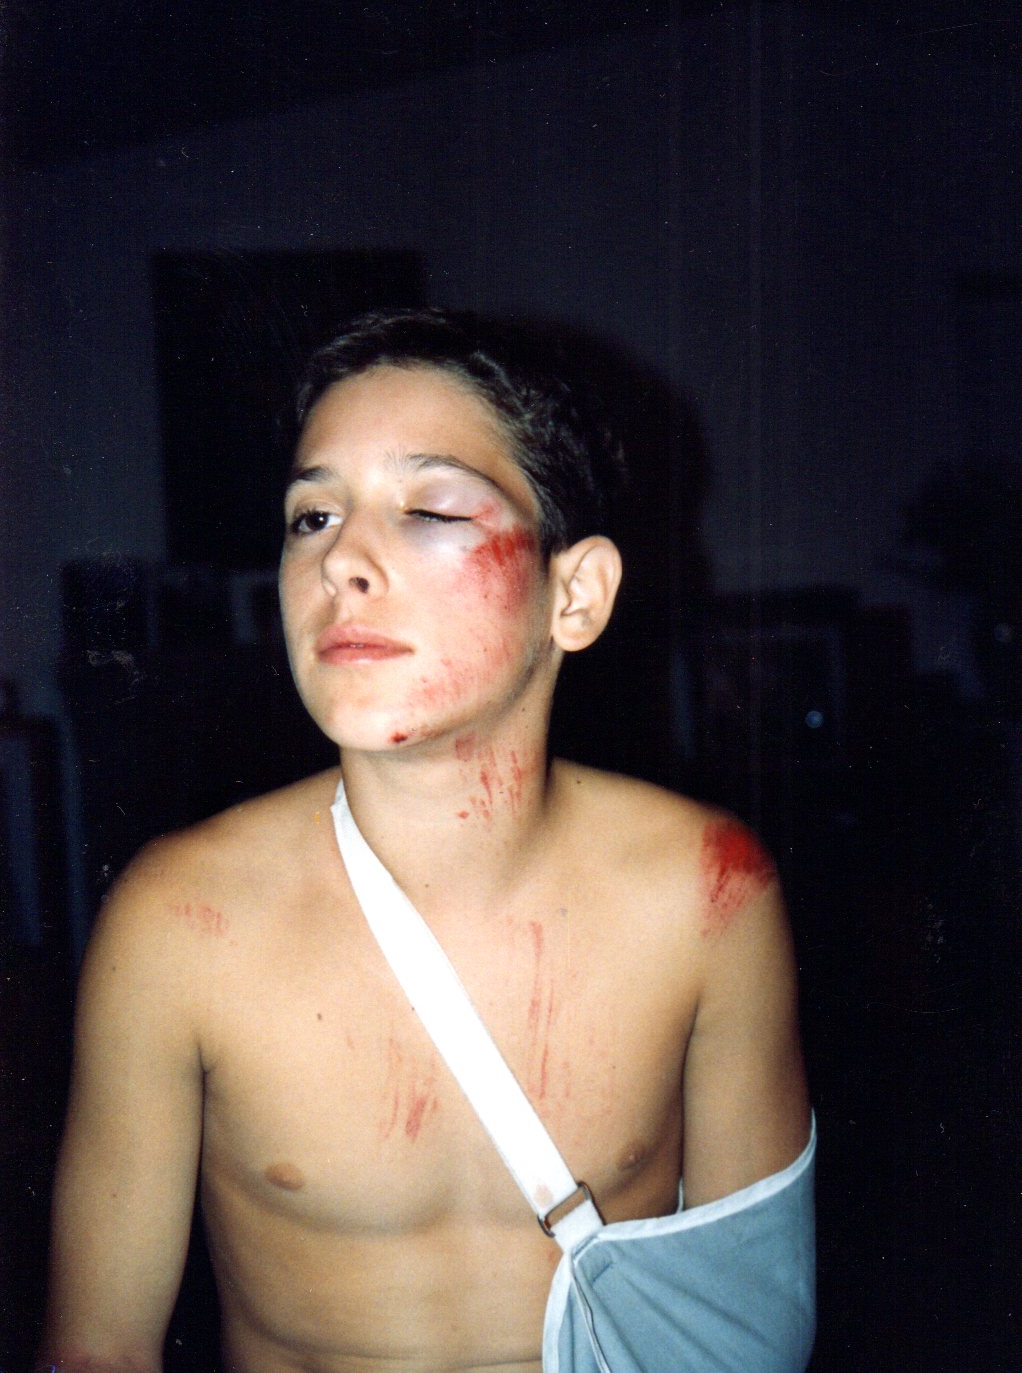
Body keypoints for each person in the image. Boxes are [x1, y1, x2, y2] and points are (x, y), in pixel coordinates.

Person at [39, 308, 812, 1372]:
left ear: (574, 594)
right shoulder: (181, 924)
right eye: (312, 516)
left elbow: (746, 1328)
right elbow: (99, 1349)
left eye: (429, 508)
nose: (341, 562)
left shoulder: (703, 897)